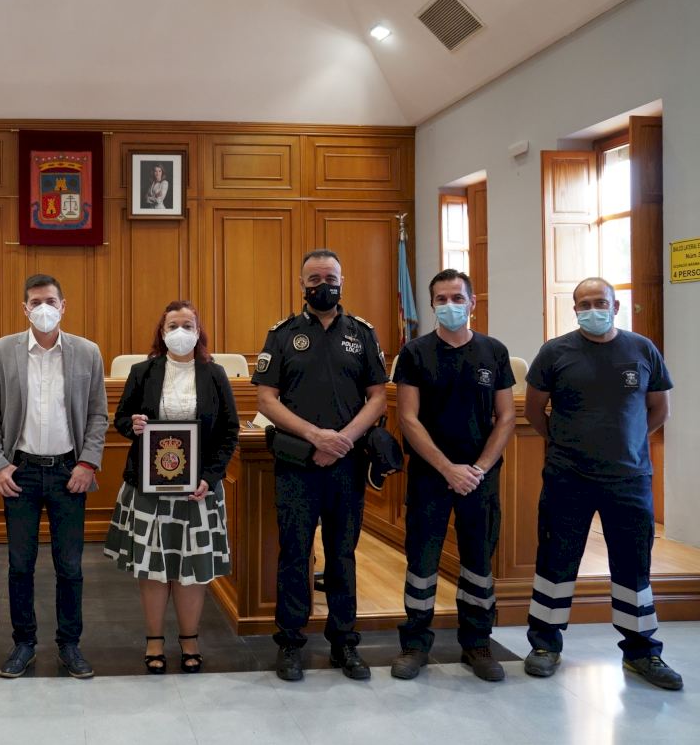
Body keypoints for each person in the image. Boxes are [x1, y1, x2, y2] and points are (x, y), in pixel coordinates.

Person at [522, 277, 681, 690]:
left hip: (629, 479)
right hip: (567, 477)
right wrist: (564, 443)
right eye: (584, 304)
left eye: (601, 302)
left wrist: (628, 442)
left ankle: (642, 652)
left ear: (616, 306)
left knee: (633, 567)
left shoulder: (642, 349)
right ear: (574, 309)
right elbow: (536, 411)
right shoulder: (555, 352)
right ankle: (545, 645)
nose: (593, 310)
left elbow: (659, 409)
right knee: (555, 563)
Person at [253, 249, 388, 682]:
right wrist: (317, 437)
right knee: (294, 553)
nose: (322, 285)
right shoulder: (282, 334)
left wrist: (342, 440)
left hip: (347, 464)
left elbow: (378, 397)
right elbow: (266, 399)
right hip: (298, 462)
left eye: (330, 278)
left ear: (342, 281)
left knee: (342, 554)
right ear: (301, 284)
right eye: (314, 279)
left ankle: (344, 642)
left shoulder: (362, 334)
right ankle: (291, 643)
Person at [0, 274, 108, 679]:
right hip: (21, 472)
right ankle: (24, 644)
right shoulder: (1, 351)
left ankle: (70, 645)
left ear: (63, 306)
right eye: (35, 302)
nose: (44, 308)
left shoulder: (87, 352)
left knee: (70, 566)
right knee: (20, 565)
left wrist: (88, 463)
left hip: (71, 471)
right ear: (25, 308)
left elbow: (98, 414)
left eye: (50, 301)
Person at [389, 269, 516, 682]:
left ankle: (477, 643)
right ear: (431, 305)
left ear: (472, 302)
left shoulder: (494, 352)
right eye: (441, 299)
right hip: (431, 475)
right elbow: (408, 418)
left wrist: (477, 469)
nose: (450, 305)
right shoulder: (414, 353)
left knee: (478, 561)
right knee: (422, 561)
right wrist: (447, 468)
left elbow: (506, 416)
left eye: (457, 298)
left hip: (480, 477)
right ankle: (415, 644)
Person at [104, 301, 239, 674]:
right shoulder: (143, 371)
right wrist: (134, 424)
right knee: (153, 567)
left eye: (187, 325)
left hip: (198, 488)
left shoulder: (214, 374)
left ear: (198, 331)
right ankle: (154, 640)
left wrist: (211, 476)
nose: (180, 332)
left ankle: (189, 639)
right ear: (162, 333)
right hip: (149, 489)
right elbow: (121, 419)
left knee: (191, 567)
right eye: (172, 326)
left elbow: (229, 430)